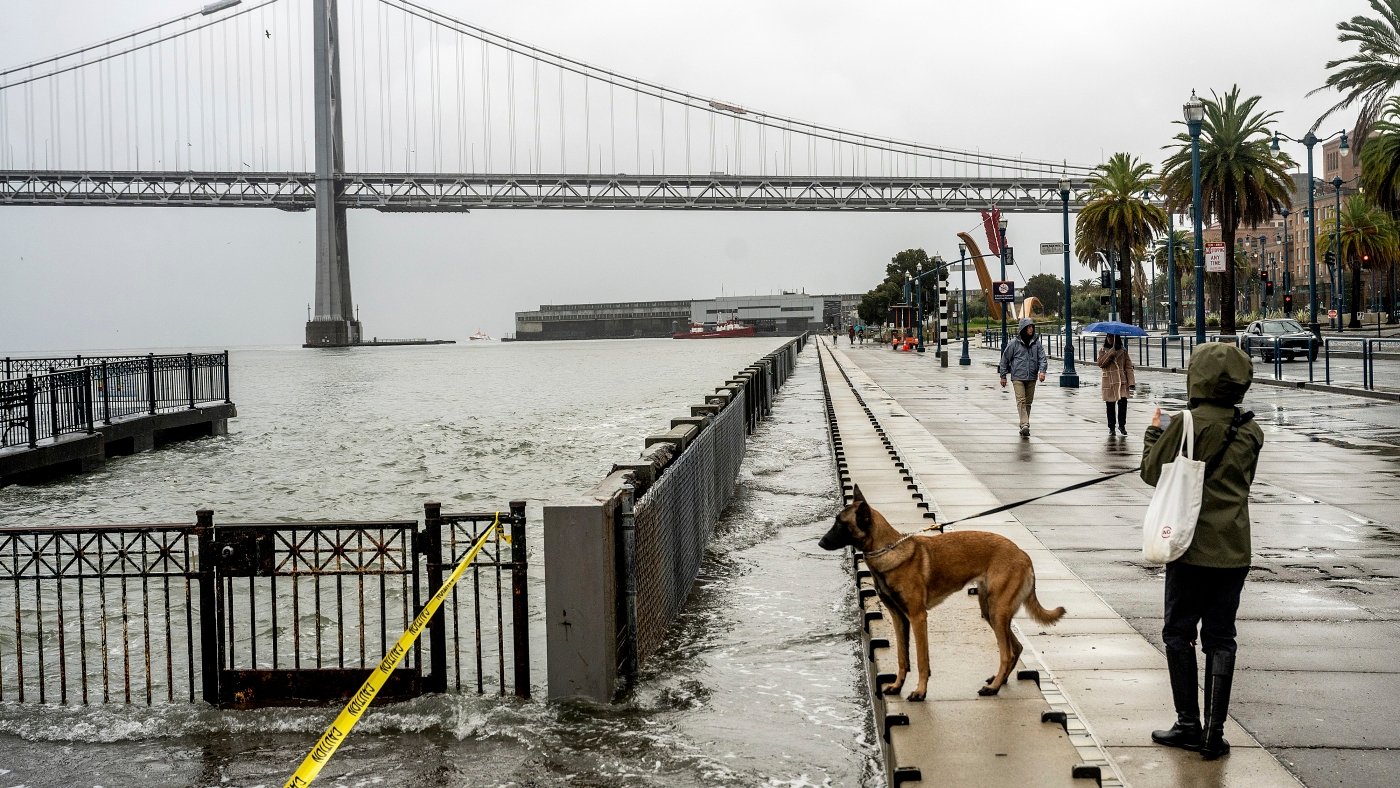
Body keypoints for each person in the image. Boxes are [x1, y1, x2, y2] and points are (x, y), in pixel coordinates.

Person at [1141, 343, 1263, 761]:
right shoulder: (1251, 429)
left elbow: (1151, 472)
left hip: (1189, 547)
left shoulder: (1187, 422)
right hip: (1234, 549)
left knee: (1178, 633)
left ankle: (1188, 724)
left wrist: (1154, 432)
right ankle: (1215, 732)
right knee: (1221, 637)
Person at [997, 318, 1047, 437]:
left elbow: (1042, 358)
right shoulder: (1014, 343)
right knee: (1021, 400)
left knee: (1028, 402)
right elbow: (1004, 360)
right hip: (1018, 377)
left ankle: (1023, 425)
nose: (1031, 329)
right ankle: (1025, 424)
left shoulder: (1036, 343)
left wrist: (1042, 371)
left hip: (1031, 377)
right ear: (1023, 329)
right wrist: (1003, 376)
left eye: (1032, 327)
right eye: (1029, 327)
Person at [1097, 335, 1136, 437]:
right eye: (1108, 337)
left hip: (1121, 381)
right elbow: (1101, 363)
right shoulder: (1102, 350)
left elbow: (1128, 367)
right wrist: (1111, 353)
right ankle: (1111, 427)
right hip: (1109, 381)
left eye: (1112, 337)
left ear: (1116, 338)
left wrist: (1131, 382)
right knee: (1110, 406)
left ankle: (1122, 425)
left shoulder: (1123, 351)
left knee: (1123, 404)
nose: (1110, 339)